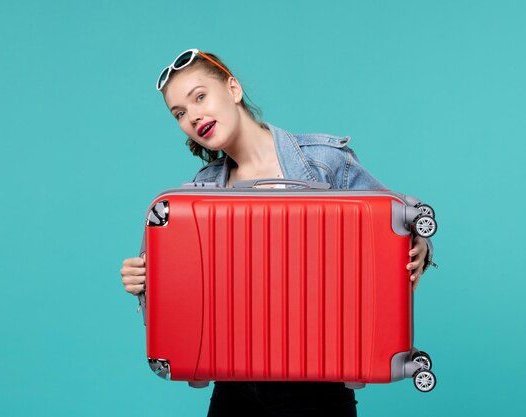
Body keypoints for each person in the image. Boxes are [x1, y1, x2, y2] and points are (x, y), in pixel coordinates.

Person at [120, 49, 435, 417]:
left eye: (200, 96)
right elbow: (193, 290)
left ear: (233, 89)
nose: (193, 116)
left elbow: (393, 221)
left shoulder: (322, 160)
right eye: (180, 113)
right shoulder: (202, 191)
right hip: (234, 382)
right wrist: (145, 280)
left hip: (320, 384)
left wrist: (420, 246)